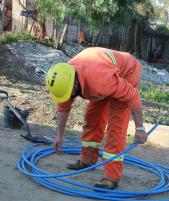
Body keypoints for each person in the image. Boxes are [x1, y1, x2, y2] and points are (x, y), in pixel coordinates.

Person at [45, 47, 147, 190]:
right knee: (93, 117)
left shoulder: (100, 80)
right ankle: (87, 159)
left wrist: (140, 128)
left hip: (126, 72)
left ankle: (111, 176)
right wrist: (59, 136)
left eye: (69, 94)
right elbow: (63, 107)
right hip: (101, 72)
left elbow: (133, 96)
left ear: (75, 83)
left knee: (116, 126)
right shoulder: (65, 77)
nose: (68, 98)